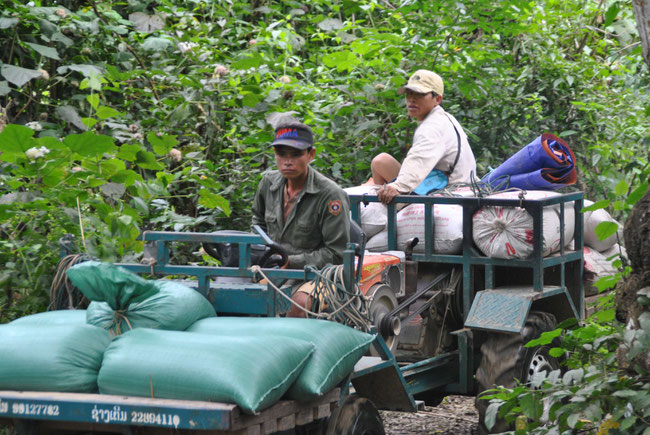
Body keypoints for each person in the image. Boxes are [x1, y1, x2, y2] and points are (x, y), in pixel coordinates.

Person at [252, 121, 351, 316]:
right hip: (273, 269)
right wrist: (259, 256)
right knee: (235, 293)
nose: (287, 161)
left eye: (296, 154)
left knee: (297, 304)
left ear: (311, 155)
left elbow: (337, 253)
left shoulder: (330, 195)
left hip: (318, 274)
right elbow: (257, 225)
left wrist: (289, 261)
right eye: (282, 154)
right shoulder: (268, 184)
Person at [371, 69, 477, 204]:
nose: (412, 99)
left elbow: (420, 159)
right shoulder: (444, 118)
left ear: (437, 99)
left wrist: (398, 187)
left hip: (447, 189)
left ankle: (387, 216)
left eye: (420, 94)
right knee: (381, 161)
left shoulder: (433, 126)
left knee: (386, 178)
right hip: (440, 181)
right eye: (409, 94)